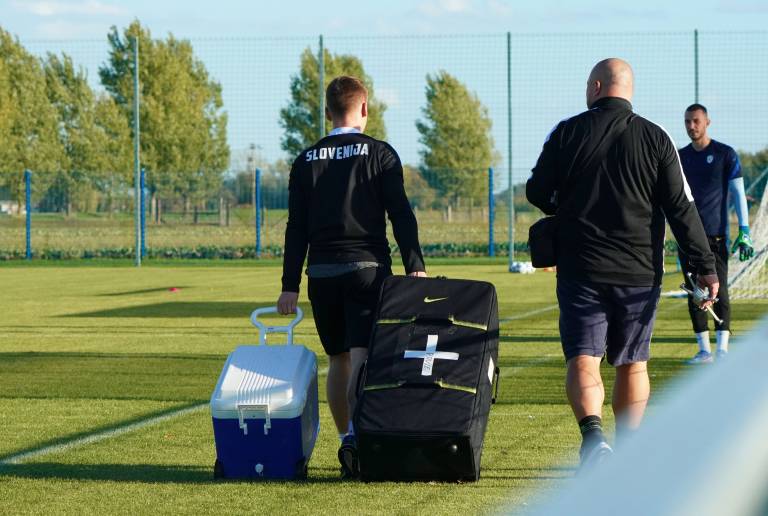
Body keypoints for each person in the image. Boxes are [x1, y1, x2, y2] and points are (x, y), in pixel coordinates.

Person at [526, 58, 718, 470]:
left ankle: (594, 438)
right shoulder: (656, 136)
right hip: (639, 270)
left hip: (581, 267)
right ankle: (628, 451)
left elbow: (537, 190)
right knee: (633, 363)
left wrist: (568, 204)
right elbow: (681, 208)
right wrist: (705, 265)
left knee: (583, 357)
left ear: (596, 86)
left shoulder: (566, 131)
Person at [276, 75, 426, 479]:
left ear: (327, 113)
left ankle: (346, 437)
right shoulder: (380, 154)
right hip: (367, 271)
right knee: (362, 357)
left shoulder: (305, 160)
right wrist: (415, 264)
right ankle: (361, 441)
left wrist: (289, 285)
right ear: (364, 108)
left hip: (321, 273)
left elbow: (296, 227)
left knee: (337, 359)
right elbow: (400, 214)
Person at [678, 104, 754, 364]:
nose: (691, 126)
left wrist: (744, 229)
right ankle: (704, 351)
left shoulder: (725, 154)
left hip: (716, 237)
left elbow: (738, 192)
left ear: (707, 122)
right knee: (694, 294)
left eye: (696, 121)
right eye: (687, 121)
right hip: (687, 239)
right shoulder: (680, 157)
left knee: (719, 291)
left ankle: (722, 350)